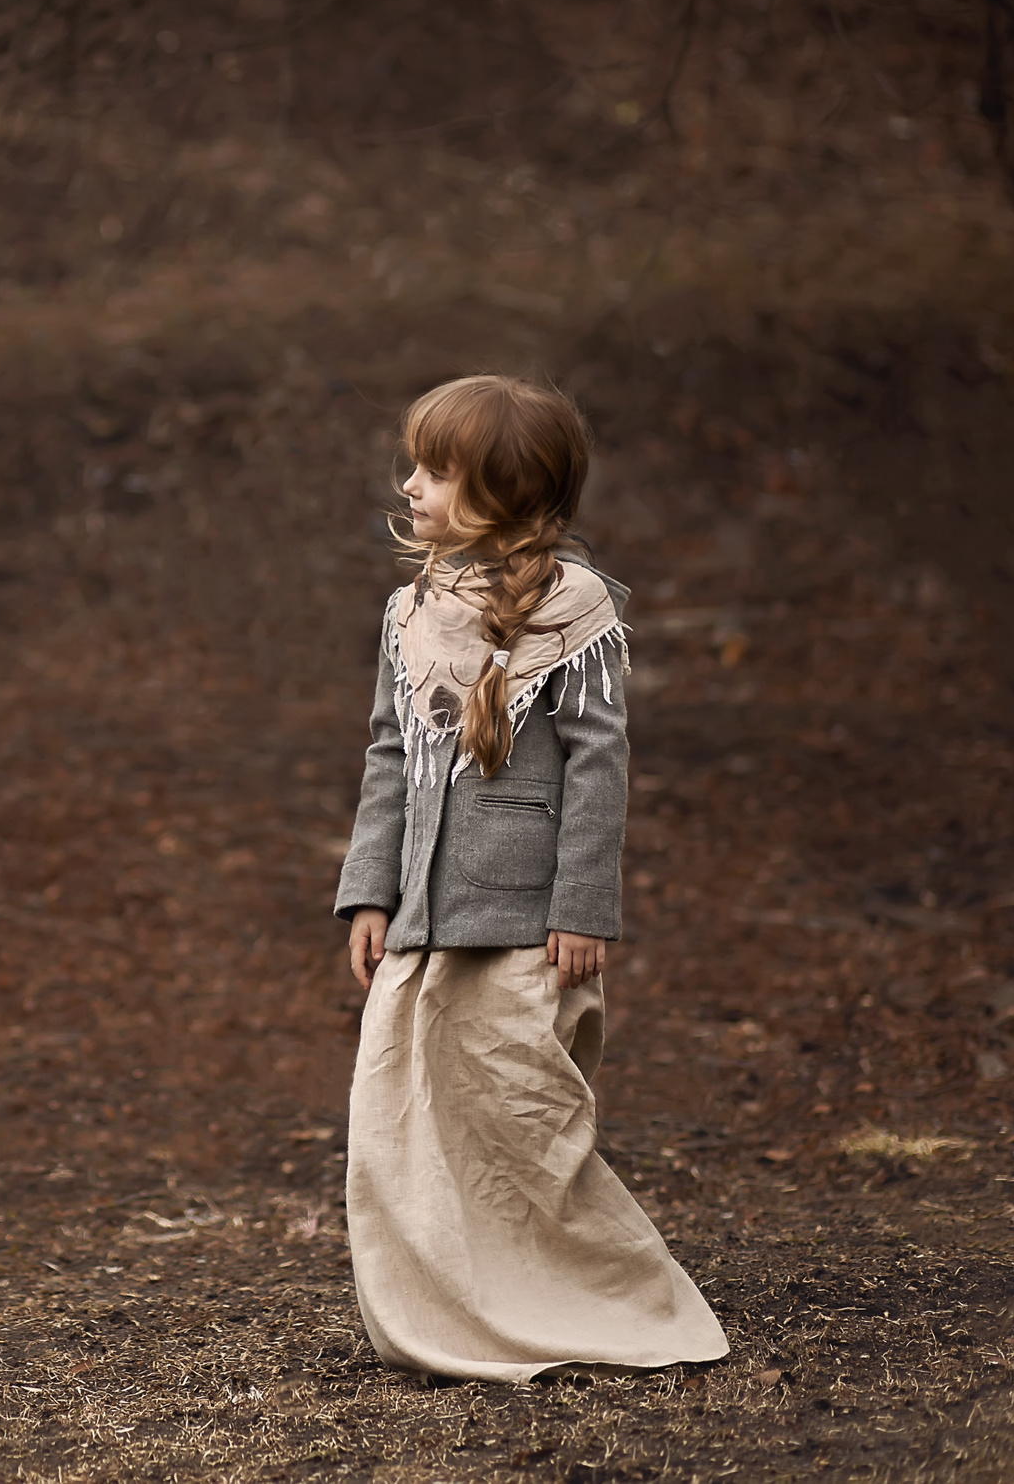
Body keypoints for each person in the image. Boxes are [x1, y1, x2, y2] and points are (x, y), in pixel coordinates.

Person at [332, 373, 728, 1383]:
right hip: (420, 924)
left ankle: (594, 1303)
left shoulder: (575, 606)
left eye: (436, 470)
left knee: (522, 1135)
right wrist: (370, 892)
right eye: (413, 465)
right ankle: (451, 1315)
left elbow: (598, 769)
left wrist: (581, 909)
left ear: (502, 488)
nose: (410, 486)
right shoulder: (407, 608)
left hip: (523, 930)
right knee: (399, 1131)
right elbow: (389, 756)